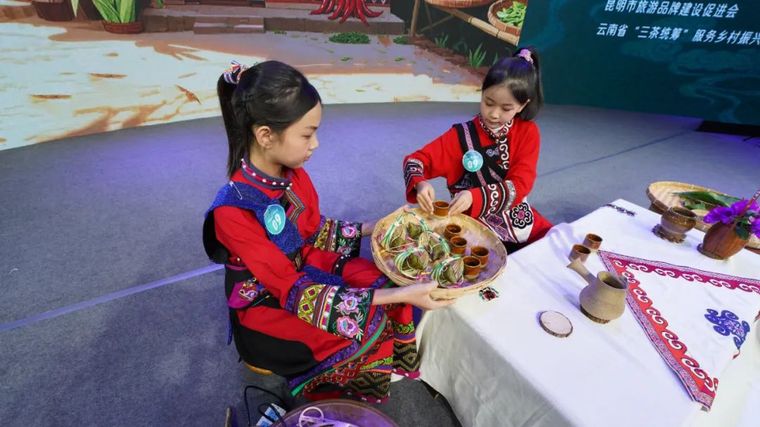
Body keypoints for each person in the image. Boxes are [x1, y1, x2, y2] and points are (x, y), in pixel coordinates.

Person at [202, 60, 452, 404]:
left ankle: (374, 367)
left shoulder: (292, 174)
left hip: (301, 269)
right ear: (266, 135)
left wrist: (378, 225)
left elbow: (315, 230)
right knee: (366, 322)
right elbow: (291, 289)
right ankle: (336, 394)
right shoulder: (232, 210)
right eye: (307, 134)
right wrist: (400, 296)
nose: (316, 144)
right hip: (266, 301)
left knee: (383, 280)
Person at [402, 47, 552, 250]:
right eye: (488, 103)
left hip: (515, 221)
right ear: (482, 92)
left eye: (506, 108)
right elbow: (415, 161)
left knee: (554, 246)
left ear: (522, 105)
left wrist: (473, 196)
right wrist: (420, 184)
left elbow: (520, 185)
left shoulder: (527, 132)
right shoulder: (461, 136)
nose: (494, 114)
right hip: (470, 224)